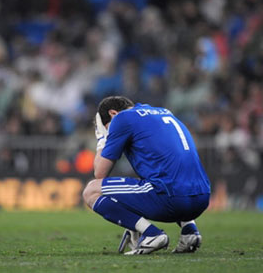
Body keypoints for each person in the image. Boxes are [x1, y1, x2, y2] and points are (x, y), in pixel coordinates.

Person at [82, 96, 211, 255]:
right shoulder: (163, 112)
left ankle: (151, 234)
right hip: (203, 196)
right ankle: (189, 231)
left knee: (91, 191)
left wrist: (102, 139)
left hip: (172, 198)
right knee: (162, 179)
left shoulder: (121, 118)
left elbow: (99, 173)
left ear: (113, 113)